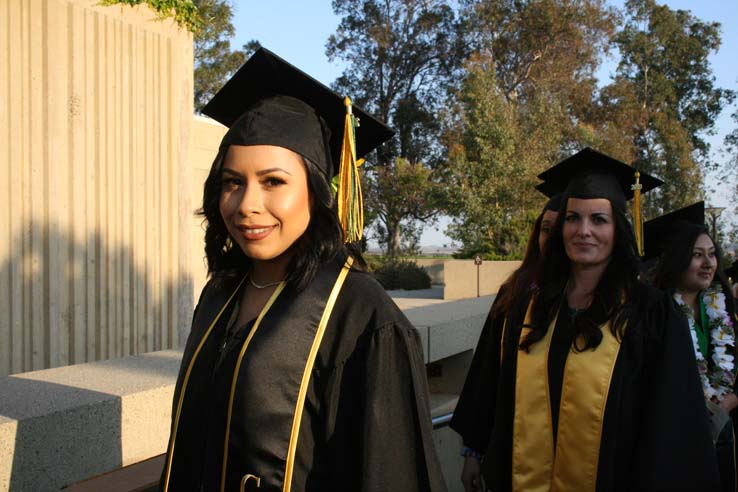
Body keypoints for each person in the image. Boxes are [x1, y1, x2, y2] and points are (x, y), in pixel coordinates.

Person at [160, 48, 446, 492]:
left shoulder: (364, 317)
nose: (247, 205)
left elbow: (392, 473)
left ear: (316, 193)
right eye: (233, 182)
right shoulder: (221, 294)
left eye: (273, 182)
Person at [480, 148, 720, 491]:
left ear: (618, 229)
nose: (583, 231)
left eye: (599, 220)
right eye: (573, 218)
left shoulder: (652, 312)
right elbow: (505, 406)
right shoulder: (531, 307)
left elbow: (672, 424)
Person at [450, 187, 561, 492]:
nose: (550, 238)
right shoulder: (515, 295)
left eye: (560, 228)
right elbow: (486, 376)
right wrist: (472, 453)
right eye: (545, 229)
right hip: (511, 456)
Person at [647, 202, 738, 492]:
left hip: (729, 434)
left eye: (712, 254)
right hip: (677, 438)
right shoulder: (654, 314)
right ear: (676, 259)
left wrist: (729, 401)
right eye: (697, 255)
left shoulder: (723, 307)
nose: (708, 263)